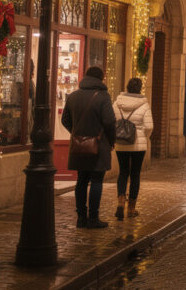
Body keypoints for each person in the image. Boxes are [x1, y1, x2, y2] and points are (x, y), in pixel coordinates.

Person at [61, 66, 117, 229]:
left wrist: (77, 133)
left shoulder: (73, 96)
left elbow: (65, 120)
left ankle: (81, 217)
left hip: (79, 145)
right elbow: (109, 121)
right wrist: (111, 140)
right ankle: (93, 218)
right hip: (98, 145)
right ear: (101, 78)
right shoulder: (103, 97)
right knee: (97, 180)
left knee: (81, 180)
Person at [112, 77, 152, 221]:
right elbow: (149, 127)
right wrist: (143, 137)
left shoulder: (117, 103)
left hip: (120, 143)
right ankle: (131, 209)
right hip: (138, 145)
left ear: (127, 87)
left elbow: (111, 121)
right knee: (135, 175)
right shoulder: (144, 105)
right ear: (140, 88)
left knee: (123, 173)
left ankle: (121, 202)